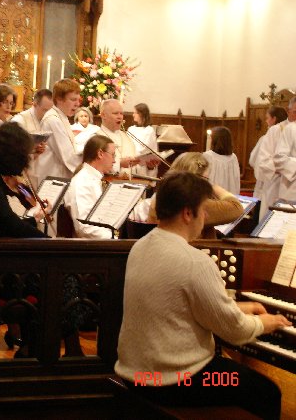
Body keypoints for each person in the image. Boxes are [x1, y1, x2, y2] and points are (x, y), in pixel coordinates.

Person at [115, 171, 290, 420]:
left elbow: (178, 305)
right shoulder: (195, 262)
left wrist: (237, 306)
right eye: (203, 210)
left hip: (137, 373)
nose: (206, 216)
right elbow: (235, 330)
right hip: (175, 381)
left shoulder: (140, 247)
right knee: (267, 392)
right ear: (188, 213)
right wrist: (266, 322)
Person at [0, 122, 86, 357]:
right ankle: (52, 348)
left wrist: (32, 222)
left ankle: (40, 346)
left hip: (0, 259)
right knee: (64, 278)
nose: (27, 159)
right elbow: (9, 225)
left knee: (64, 277)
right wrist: (48, 242)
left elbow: (8, 224)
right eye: (25, 153)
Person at [148, 152, 243, 238]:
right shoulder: (194, 203)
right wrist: (214, 187)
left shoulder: (161, 197)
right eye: (206, 179)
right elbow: (236, 207)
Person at [64, 135, 116, 239]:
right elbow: (84, 228)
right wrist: (115, 237)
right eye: (113, 155)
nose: (114, 161)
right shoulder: (82, 182)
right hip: (91, 249)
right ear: (100, 154)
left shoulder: (95, 179)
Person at [34, 79, 83, 183]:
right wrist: (90, 167)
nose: (77, 104)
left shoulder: (62, 117)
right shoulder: (53, 120)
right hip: (52, 180)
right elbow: (68, 157)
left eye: (78, 100)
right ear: (59, 99)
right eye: (73, 99)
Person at [256, 97, 296, 218]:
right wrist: (282, 167)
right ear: (288, 111)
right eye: (295, 112)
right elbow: (263, 161)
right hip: (277, 187)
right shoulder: (275, 131)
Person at [11, 88, 53, 188]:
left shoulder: (49, 120)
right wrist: (32, 150)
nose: (47, 114)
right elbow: (11, 150)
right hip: (23, 173)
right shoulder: (19, 120)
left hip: (42, 172)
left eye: (50, 111)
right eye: (45, 110)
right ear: (34, 104)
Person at [249, 106, 287, 218]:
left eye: (267, 118)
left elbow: (253, 160)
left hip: (269, 184)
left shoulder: (267, 137)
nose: (266, 121)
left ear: (274, 119)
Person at [95, 99, 140, 177]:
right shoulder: (96, 138)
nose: (120, 117)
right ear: (103, 115)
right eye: (115, 113)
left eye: (121, 114)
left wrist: (149, 167)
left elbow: (135, 169)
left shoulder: (127, 137)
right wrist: (119, 164)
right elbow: (94, 167)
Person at [203, 126, 240, 194]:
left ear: (214, 140)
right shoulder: (233, 157)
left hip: (214, 194)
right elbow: (236, 180)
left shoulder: (208, 156)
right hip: (228, 194)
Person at [127, 103, 159, 178]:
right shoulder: (131, 129)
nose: (133, 115)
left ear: (142, 114)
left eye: (136, 113)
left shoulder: (149, 130)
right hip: (130, 165)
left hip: (143, 167)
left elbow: (145, 150)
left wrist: (135, 155)